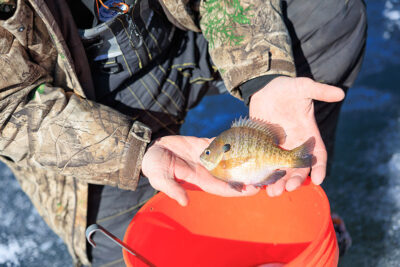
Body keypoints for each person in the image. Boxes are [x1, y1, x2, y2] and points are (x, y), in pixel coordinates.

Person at [0, 0, 366, 266]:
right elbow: (8, 105)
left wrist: (266, 74)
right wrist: (134, 153)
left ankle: (297, 200)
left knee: (326, 11)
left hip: (177, 39)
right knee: (146, 248)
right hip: (76, 111)